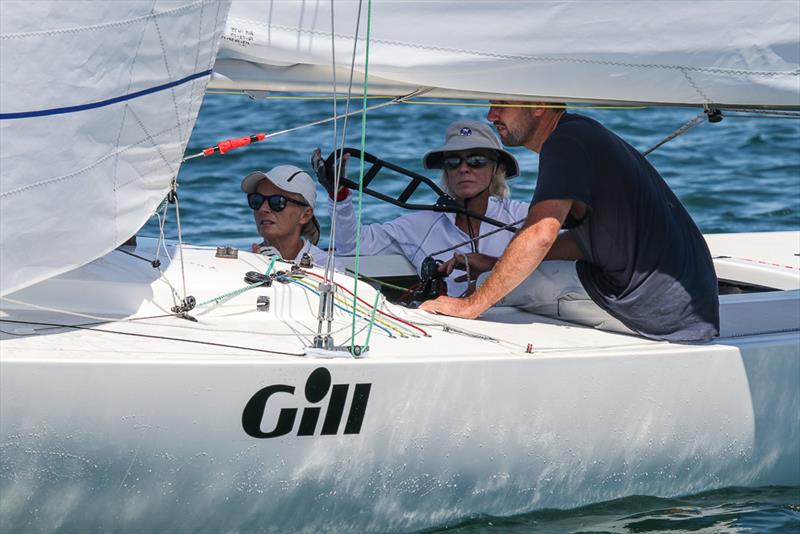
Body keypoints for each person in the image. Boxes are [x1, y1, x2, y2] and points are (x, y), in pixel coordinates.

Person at [421, 103, 720, 342]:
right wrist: (497, 262)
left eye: (501, 103)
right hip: (686, 306)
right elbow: (583, 241)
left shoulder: (564, 142)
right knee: (501, 276)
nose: (491, 114)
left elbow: (540, 233)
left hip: (653, 311)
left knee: (487, 288)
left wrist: (471, 305)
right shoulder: (581, 133)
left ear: (538, 104)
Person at [311, 120, 530, 297]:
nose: (464, 169)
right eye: (453, 161)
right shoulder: (421, 224)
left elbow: (561, 248)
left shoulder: (524, 216)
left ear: (497, 168)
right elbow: (352, 246)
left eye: (476, 160)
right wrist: (339, 196)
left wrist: (493, 266)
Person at [241, 165, 329, 266]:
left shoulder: (327, 268)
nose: (263, 209)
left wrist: (279, 266)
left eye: (277, 201)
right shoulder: (243, 262)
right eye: (257, 200)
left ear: (305, 215)